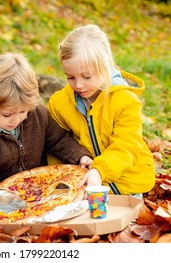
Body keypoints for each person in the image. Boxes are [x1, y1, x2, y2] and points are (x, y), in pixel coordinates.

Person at [0, 52, 93, 229]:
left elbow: (58, 139)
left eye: (23, 112)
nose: (16, 119)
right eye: (7, 114)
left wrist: (80, 157)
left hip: (42, 187)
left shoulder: (36, 114)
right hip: (2, 192)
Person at [48, 24, 155, 197]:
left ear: (106, 67)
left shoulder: (125, 101)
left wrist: (100, 171)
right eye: (70, 77)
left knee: (121, 221)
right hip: (82, 184)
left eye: (87, 76)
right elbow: (55, 143)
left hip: (127, 184)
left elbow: (127, 146)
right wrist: (59, 181)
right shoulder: (59, 103)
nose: (79, 85)